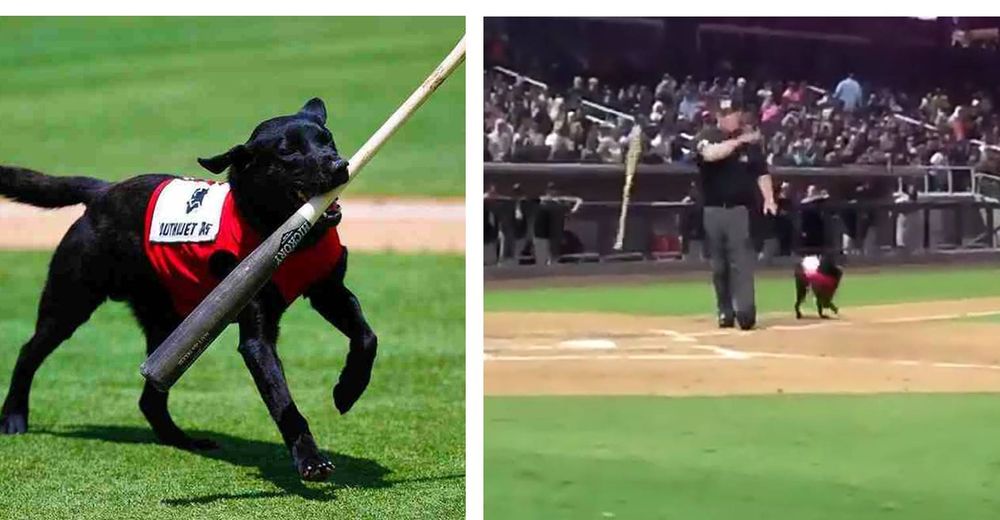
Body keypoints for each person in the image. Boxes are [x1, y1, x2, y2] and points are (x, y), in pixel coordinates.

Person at [694, 102, 776, 330]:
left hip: (740, 211)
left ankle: (746, 311)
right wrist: (739, 142)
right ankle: (725, 310)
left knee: (741, 262)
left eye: (732, 113)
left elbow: (762, 173)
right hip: (713, 210)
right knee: (719, 266)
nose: (729, 118)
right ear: (717, 116)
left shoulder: (750, 145)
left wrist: (769, 199)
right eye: (724, 114)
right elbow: (711, 155)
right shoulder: (707, 136)